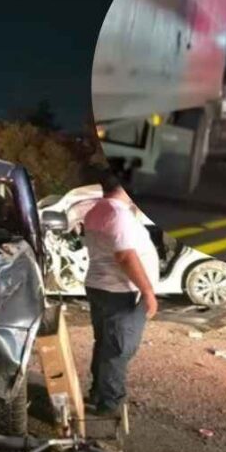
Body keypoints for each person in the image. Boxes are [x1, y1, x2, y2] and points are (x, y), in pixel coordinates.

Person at [82, 169, 160, 418]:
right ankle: (109, 404)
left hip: (102, 286)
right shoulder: (118, 214)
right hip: (121, 292)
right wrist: (148, 292)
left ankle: (98, 393)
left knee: (105, 344)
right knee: (118, 349)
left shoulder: (98, 209)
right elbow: (125, 255)